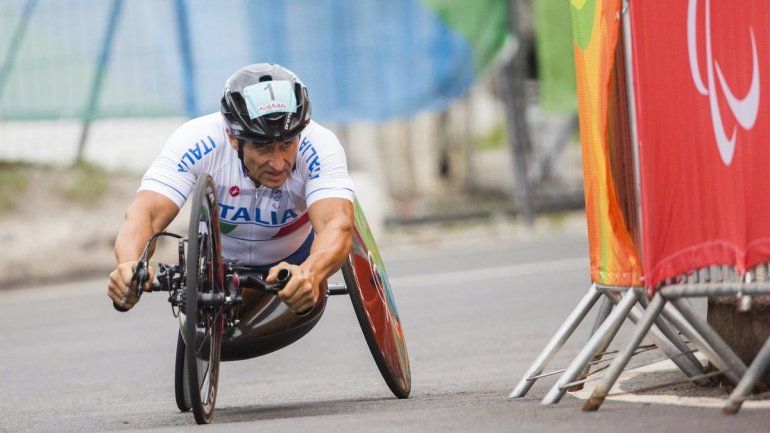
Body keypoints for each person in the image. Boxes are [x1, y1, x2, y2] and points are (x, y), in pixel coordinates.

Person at [107, 63, 355, 314]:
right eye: (263, 147)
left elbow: (337, 224)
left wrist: (311, 272)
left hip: (293, 261)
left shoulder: (321, 146)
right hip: (216, 268)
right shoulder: (197, 140)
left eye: (287, 144)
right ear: (233, 137)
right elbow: (146, 214)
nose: (278, 163)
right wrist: (130, 264)